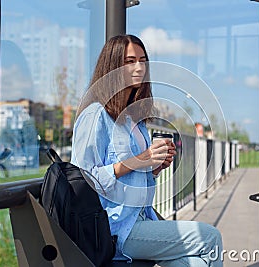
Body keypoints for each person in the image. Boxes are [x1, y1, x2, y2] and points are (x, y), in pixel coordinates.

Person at [71, 34, 222, 267]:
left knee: (197, 264)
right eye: (130, 61)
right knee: (210, 237)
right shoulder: (95, 115)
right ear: (112, 67)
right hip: (117, 228)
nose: (139, 67)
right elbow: (83, 180)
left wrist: (154, 168)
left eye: (142, 60)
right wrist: (138, 160)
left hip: (141, 218)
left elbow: (133, 175)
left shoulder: (135, 119)